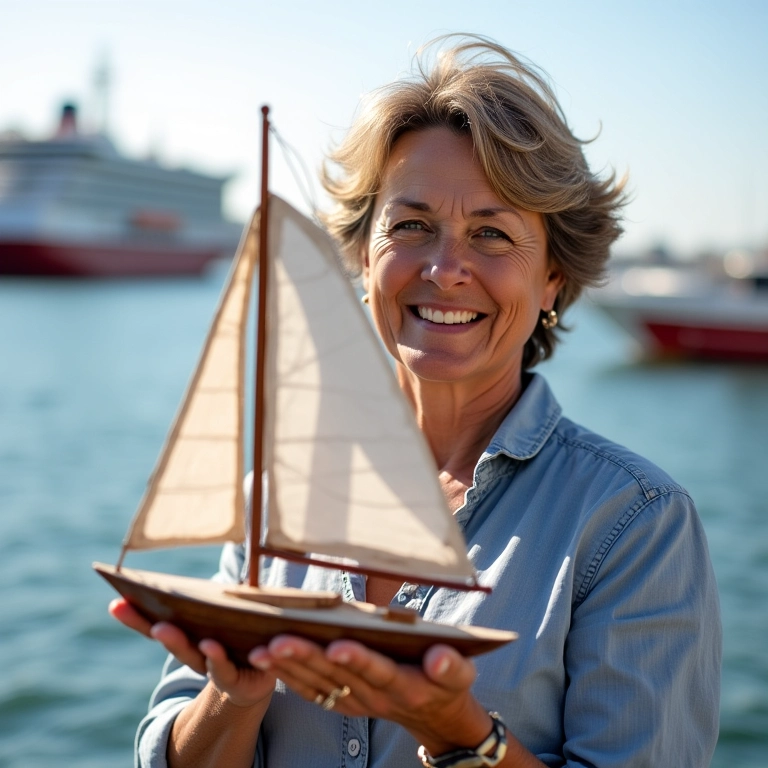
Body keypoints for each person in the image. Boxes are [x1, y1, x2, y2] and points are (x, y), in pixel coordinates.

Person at [111, 35, 721, 767]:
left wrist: (460, 732)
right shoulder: (272, 499)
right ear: (363, 259)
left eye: (492, 234)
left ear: (553, 279)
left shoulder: (633, 524)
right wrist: (233, 696)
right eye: (411, 226)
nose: (444, 268)